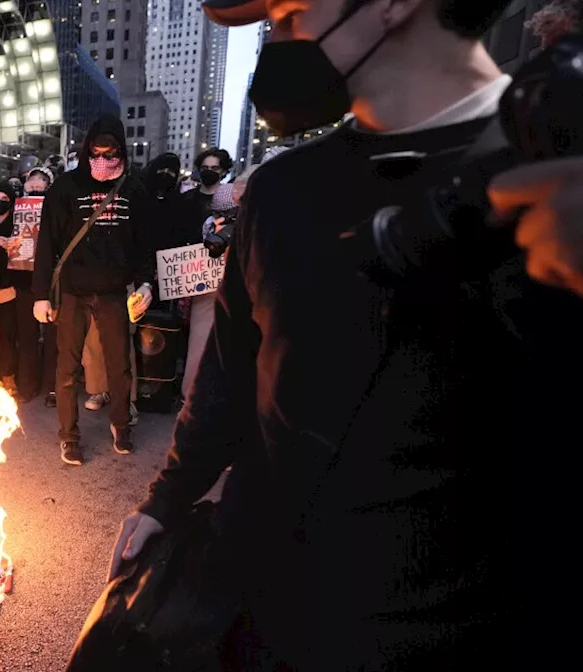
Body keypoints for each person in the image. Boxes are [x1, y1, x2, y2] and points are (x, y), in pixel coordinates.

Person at [108, 0, 571, 668]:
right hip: (258, 598)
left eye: (290, 10)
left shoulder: (555, 174)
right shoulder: (280, 191)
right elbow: (232, 372)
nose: (277, 34)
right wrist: (168, 498)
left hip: (440, 632)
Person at [31, 116, 155, 466]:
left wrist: (147, 282)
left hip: (115, 291)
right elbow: (47, 244)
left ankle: (120, 424)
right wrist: (41, 294)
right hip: (73, 290)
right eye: (95, 152)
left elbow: (145, 243)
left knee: (119, 365)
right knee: (67, 368)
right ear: (87, 150)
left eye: (110, 152)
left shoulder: (134, 189)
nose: (102, 159)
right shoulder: (65, 188)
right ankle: (69, 436)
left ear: (121, 150)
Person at [172, 147, 234, 400]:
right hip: (190, 271)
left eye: (215, 169)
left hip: (219, 278)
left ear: (224, 171)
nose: (209, 172)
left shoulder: (231, 200)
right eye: (205, 168)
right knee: (187, 330)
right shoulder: (187, 199)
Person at [0, 182, 42, 401]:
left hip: (14, 285)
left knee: (14, 335)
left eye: (5, 198)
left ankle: (15, 379)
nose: (0, 201)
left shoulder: (18, 221)